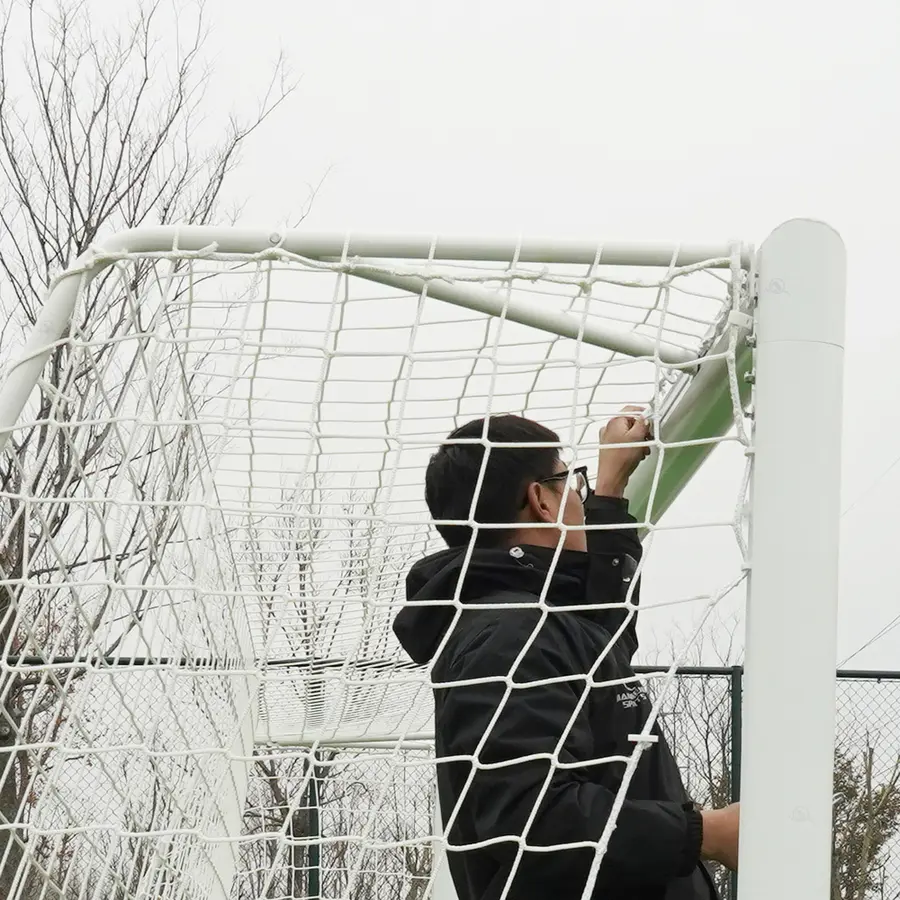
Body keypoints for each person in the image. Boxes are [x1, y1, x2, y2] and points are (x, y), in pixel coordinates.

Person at [393, 409, 740, 900]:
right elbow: (531, 819)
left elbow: (603, 627)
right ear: (539, 498)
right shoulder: (510, 634)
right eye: (571, 482)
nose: (580, 496)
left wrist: (611, 486)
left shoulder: (537, 622)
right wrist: (703, 832)